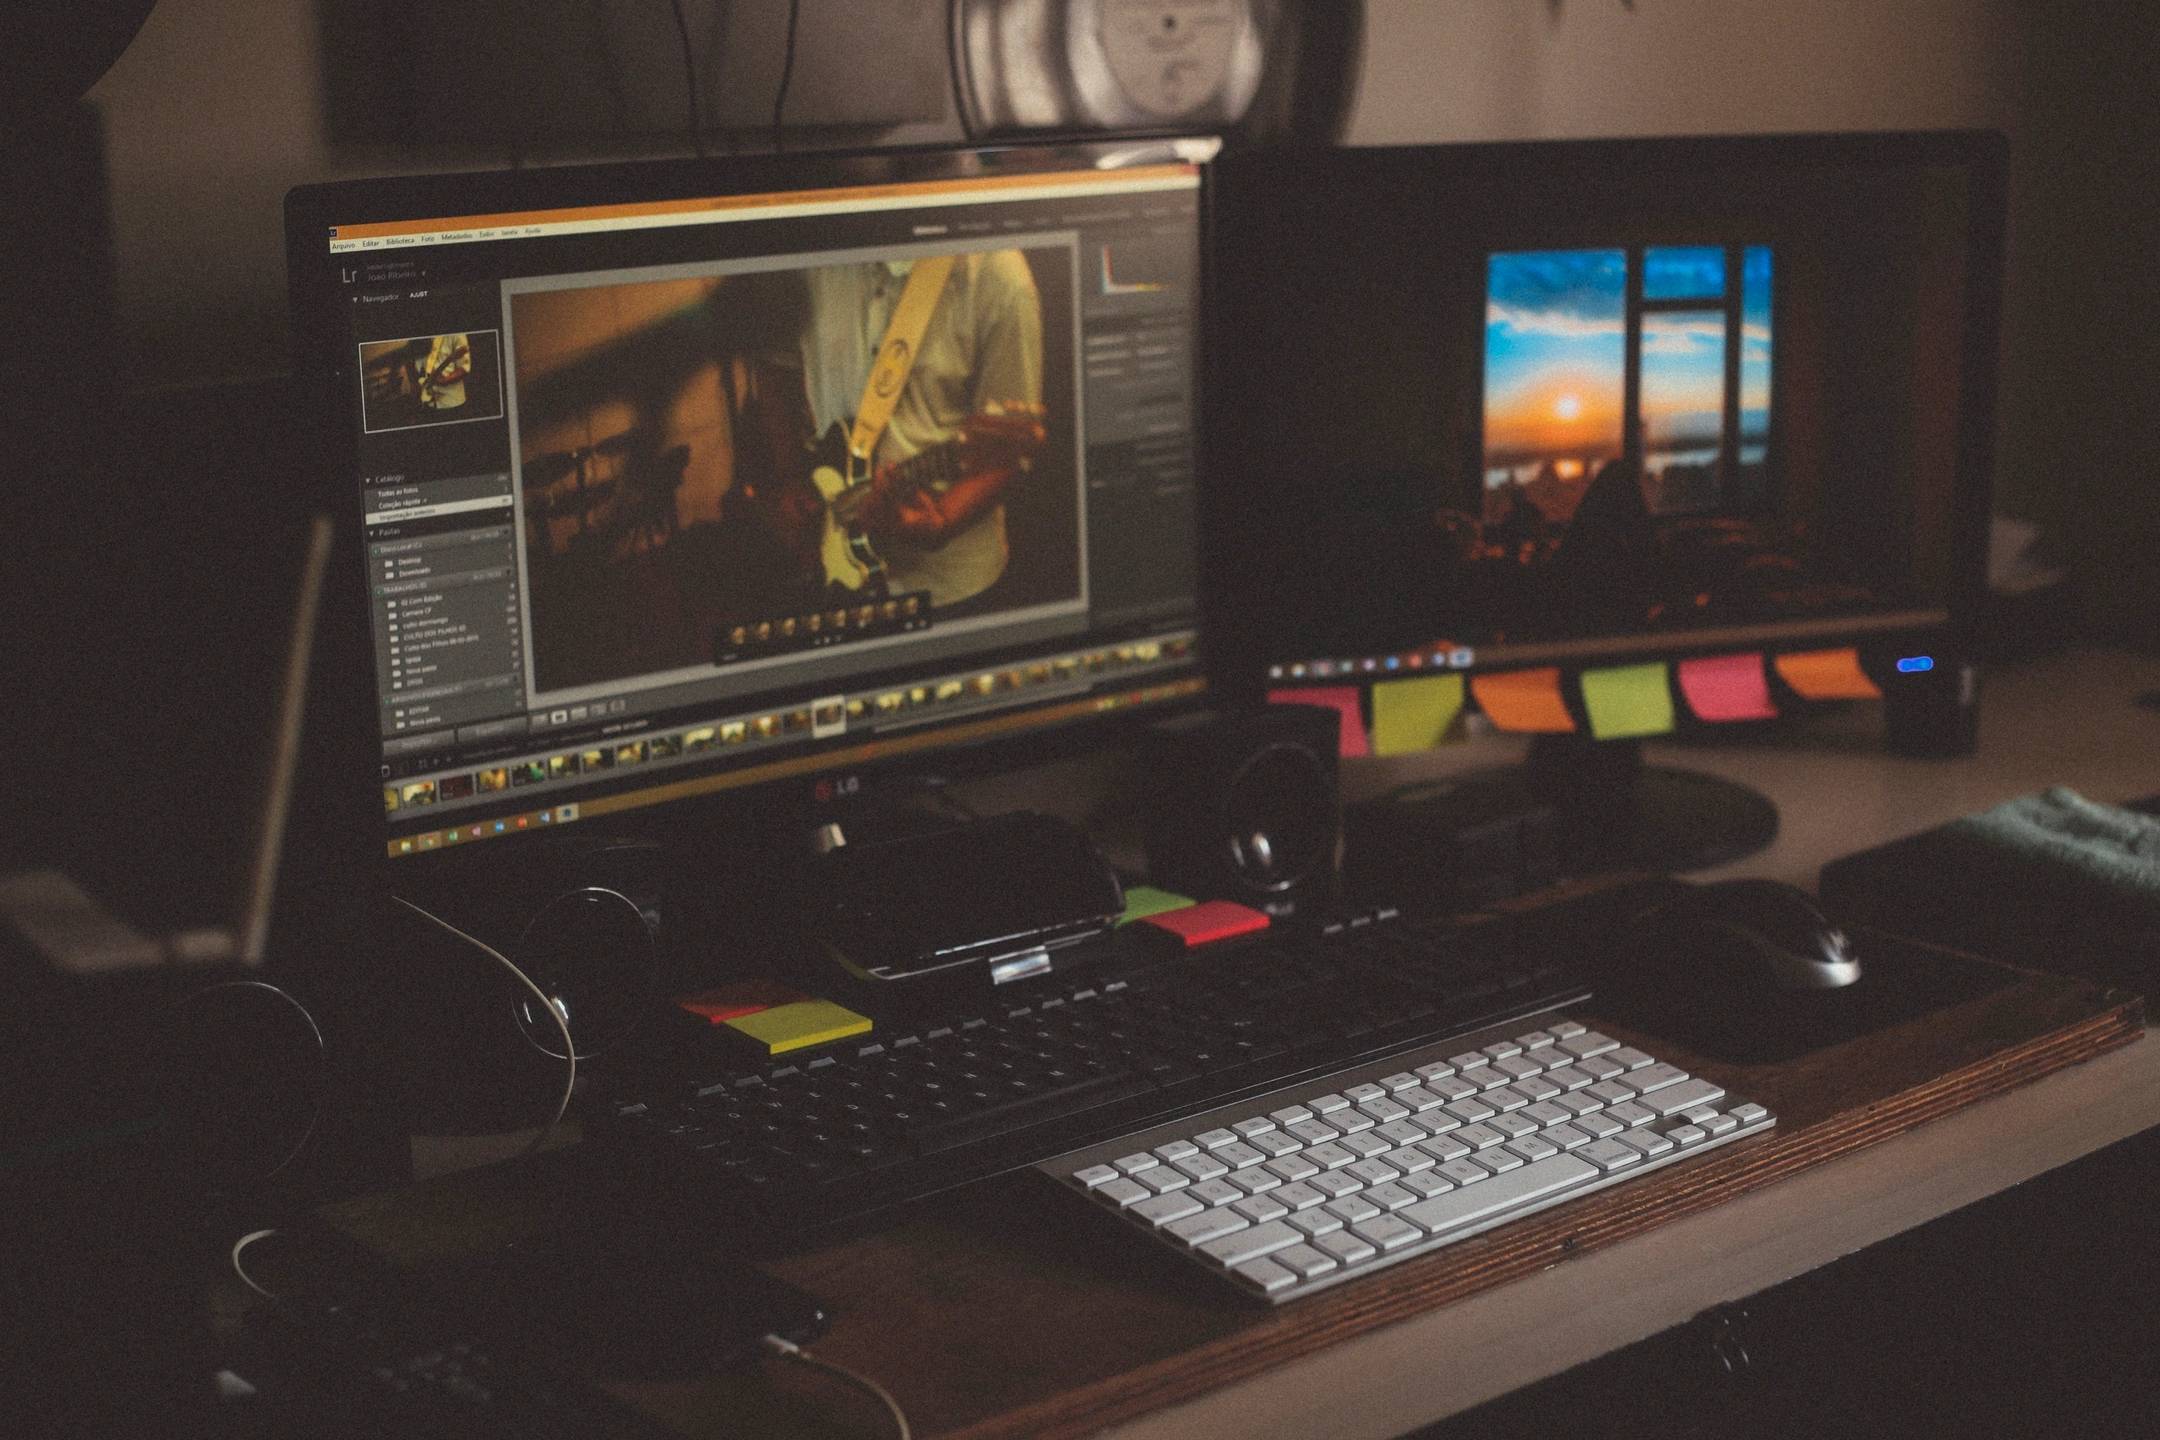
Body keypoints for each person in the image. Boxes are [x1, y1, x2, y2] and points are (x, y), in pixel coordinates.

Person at [798, 251, 1044, 610]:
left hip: (951, 590)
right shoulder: (807, 256)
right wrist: (791, 483)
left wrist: (943, 518)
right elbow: (779, 367)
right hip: (831, 569)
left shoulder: (999, 273)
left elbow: (1004, 451)